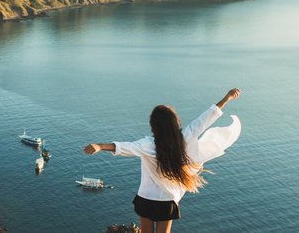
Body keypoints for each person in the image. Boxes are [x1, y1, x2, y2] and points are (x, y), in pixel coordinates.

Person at [83, 88, 242, 233]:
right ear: (175, 123)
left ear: (153, 126)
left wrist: (100, 146)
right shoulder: (183, 139)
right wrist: (226, 98)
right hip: (167, 200)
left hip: (145, 198)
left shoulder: (148, 145)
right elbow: (204, 120)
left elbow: (126, 147)